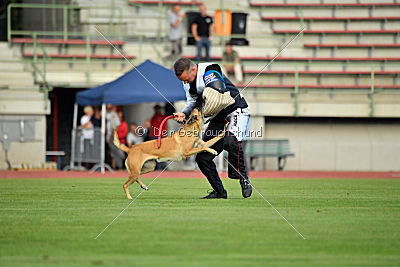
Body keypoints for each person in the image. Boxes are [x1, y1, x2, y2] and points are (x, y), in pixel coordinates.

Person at [173, 57, 252, 199]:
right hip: (218, 117)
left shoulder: (210, 69)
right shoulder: (187, 83)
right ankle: (219, 192)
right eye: (183, 81)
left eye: (187, 79)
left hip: (236, 109)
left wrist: (200, 108)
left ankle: (243, 179)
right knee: (202, 158)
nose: (185, 83)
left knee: (231, 141)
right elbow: (192, 103)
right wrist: (184, 114)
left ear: (193, 69)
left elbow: (217, 92)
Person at [105, 104, 124, 170]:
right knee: (112, 152)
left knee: (115, 150)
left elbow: (114, 126)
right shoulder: (107, 113)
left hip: (111, 135)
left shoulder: (113, 114)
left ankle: (120, 164)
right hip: (110, 134)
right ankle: (117, 166)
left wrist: (109, 135)